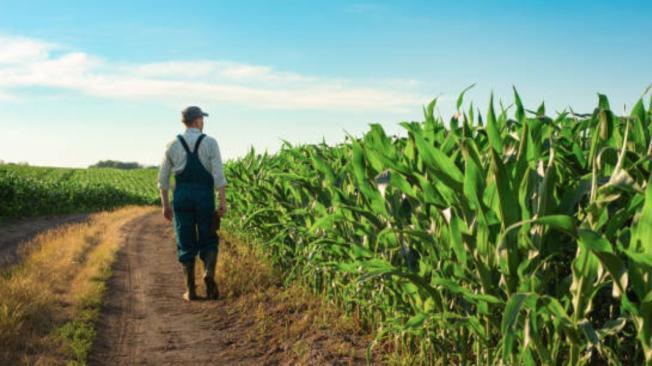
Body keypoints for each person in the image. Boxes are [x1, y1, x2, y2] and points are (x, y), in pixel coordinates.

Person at [158, 106, 227, 301]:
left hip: (182, 197)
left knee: (185, 240)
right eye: (202, 119)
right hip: (204, 196)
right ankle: (208, 273)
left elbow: (163, 179)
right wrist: (222, 202)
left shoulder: (172, 144)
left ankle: (191, 290)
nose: (203, 122)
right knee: (209, 237)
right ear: (197, 120)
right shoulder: (210, 143)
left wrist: (165, 205)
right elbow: (218, 176)